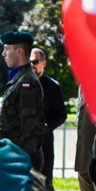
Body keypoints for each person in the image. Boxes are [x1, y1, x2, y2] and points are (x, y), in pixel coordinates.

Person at [0, 31, 45, 170]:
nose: (3, 54)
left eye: (6, 49)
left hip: (21, 159)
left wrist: (22, 163)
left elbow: (31, 128)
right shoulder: (19, 78)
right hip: (14, 155)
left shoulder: (27, 82)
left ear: (19, 51)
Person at [30, 48, 67, 183]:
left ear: (44, 63)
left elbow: (61, 114)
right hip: (24, 142)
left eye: (35, 61)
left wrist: (47, 127)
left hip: (44, 142)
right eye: (29, 62)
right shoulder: (21, 83)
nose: (32, 65)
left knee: (44, 181)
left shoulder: (53, 87)